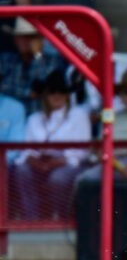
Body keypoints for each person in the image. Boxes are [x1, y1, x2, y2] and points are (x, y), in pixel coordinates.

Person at [9, 70, 90, 221]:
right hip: (40, 162)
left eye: (62, 91)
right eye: (52, 91)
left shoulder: (78, 115)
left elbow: (82, 151)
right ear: (45, 95)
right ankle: (31, 218)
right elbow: (26, 149)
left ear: (67, 95)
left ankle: (59, 218)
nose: (57, 95)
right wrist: (36, 161)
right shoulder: (34, 118)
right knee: (21, 170)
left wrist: (56, 162)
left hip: (68, 163)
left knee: (57, 178)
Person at [0, 17, 66, 114]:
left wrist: (37, 56)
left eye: (32, 37)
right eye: (23, 37)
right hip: (10, 118)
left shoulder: (53, 60)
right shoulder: (6, 60)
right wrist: (27, 92)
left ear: (40, 39)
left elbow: (46, 87)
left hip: (41, 119)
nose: (27, 41)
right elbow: (3, 88)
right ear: (15, 39)